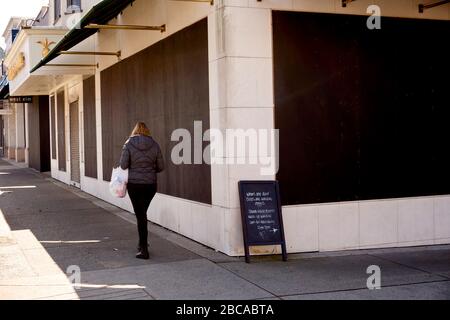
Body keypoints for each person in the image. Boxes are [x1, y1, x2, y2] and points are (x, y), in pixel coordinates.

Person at [120, 122, 164, 260]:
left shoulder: (129, 143)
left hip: (135, 185)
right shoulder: (155, 144)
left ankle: (144, 249)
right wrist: (150, 170)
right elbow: (161, 166)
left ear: (135, 130)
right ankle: (142, 243)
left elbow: (123, 165)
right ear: (147, 131)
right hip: (150, 185)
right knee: (142, 213)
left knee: (140, 215)